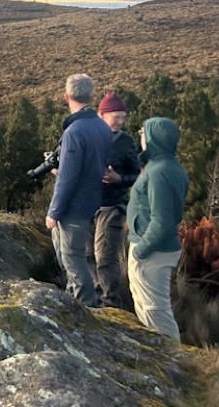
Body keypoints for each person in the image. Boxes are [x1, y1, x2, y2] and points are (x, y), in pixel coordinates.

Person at [46, 73, 113, 307]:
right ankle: (75, 300)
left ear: (66, 97)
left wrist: (53, 212)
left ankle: (85, 308)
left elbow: (68, 178)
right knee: (76, 257)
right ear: (90, 95)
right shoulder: (101, 127)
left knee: (73, 259)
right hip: (92, 201)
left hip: (74, 207)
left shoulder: (74, 132)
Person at [127, 117, 189, 340]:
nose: (141, 136)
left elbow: (162, 220)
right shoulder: (169, 167)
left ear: (153, 137)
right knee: (148, 308)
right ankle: (164, 359)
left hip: (152, 251)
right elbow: (176, 214)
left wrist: (139, 250)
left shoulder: (158, 172)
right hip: (157, 248)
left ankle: (174, 363)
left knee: (155, 312)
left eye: (143, 132)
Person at [88, 91, 141, 308]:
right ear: (102, 115)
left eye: (123, 116)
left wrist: (120, 179)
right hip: (87, 205)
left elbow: (138, 175)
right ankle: (94, 299)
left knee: (104, 257)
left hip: (112, 206)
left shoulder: (125, 141)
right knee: (86, 256)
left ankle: (111, 304)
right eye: (116, 116)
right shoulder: (87, 137)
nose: (121, 121)